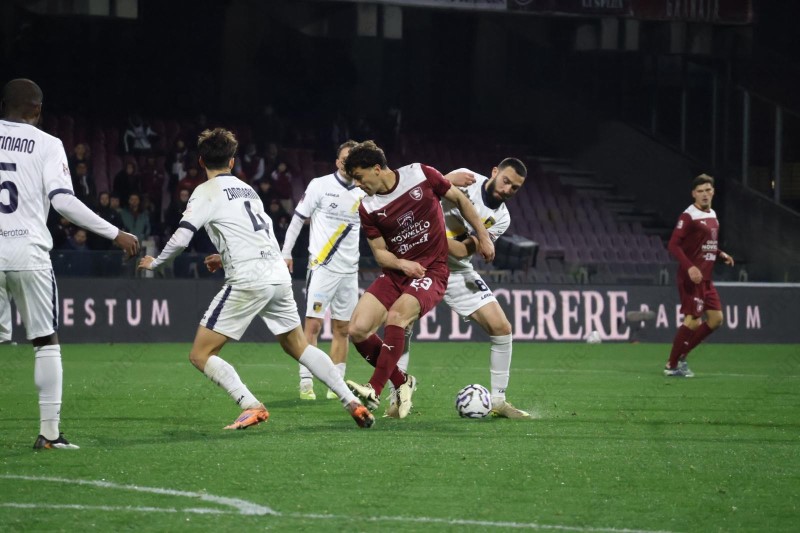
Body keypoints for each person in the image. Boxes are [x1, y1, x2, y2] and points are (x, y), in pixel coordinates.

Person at [137, 128, 373, 429]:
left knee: (200, 354)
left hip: (248, 279)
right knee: (299, 346)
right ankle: (350, 400)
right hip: (277, 274)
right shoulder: (247, 190)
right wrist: (224, 257)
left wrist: (156, 262)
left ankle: (250, 404)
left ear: (201, 162)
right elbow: (261, 233)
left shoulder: (205, 191)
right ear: (232, 162)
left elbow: (182, 238)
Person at [0, 79, 139, 450]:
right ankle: (49, 434)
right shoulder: (47, 144)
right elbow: (62, 201)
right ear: (37, 109)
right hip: (28, 252)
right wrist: (115, 233)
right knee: (45, 341)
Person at [342, 140, 495, 419]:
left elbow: (461, 200)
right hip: (397, 273)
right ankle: (403, 381)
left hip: (432, 271)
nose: (358, 185)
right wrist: (402, 263)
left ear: (376, 168)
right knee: (357, 330)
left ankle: (374, 388)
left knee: (397, 316)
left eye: (360, 177)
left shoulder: (420, 174)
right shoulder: (368, 207)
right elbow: (380, 253)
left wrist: (482, 236)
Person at [393, 158, 532, 419]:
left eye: (514, 188)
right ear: (494, 172)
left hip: (457, 270)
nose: (507, 189)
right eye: (505, 181)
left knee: (501, 328)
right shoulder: (465, 178)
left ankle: (498, 401)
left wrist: (429, 236)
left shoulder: (502, 218)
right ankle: (397, 397)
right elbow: (419, 197)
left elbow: (462, 250)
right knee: (402, 324)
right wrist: (445, 180)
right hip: (421, 264)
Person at [281, 140, 362, 400]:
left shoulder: (365, 192)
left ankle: (335, 385)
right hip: (322, 267)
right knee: (313, 326)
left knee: (343, 329)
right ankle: (306, 382)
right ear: (338, 162)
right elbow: (297, 219)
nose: (348, 163)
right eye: (345, 159)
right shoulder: (320, 185)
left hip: (349, 271)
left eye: (354, 159)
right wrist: (286, 252)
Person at [664, 174, 734, 377]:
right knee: (693, 320)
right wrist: (690, 267)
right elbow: (673, 245)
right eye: (700, 191)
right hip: (691, 277)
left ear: (713, 192)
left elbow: (705, 245)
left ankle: (682, 355)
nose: (704, 194)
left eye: (708, 190)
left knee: (716, 319)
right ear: (693, 194)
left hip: (706, 278)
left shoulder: (712, 214)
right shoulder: (688, 216)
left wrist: (720, 254)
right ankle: (671, 365)